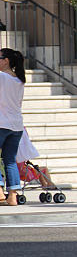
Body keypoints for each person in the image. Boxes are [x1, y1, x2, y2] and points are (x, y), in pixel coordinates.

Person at [0, 48, 26, 206]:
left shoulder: (2, 77)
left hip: (2, 122)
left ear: (6, 61)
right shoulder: (19, 80)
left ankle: (0, 191)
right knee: (9, 160)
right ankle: (13, 196)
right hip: (16, 125)